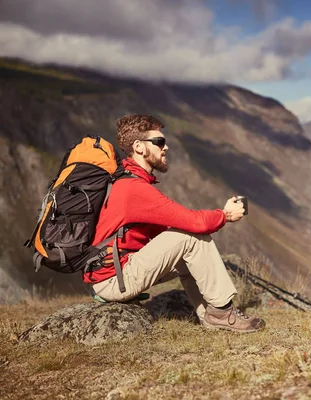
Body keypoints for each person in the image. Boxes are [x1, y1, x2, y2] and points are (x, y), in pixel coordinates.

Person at [85, 114, 265, 333]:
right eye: (159, 142)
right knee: (189, 237)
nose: (166, 147)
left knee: (186, 245)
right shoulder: (134, 189)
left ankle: (210, 315)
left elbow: (168, 228)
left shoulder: (127, 181)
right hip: (115, 281)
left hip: (114, 274)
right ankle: (222, 313)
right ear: (139, 147)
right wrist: (225, 215)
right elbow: (194, 223)